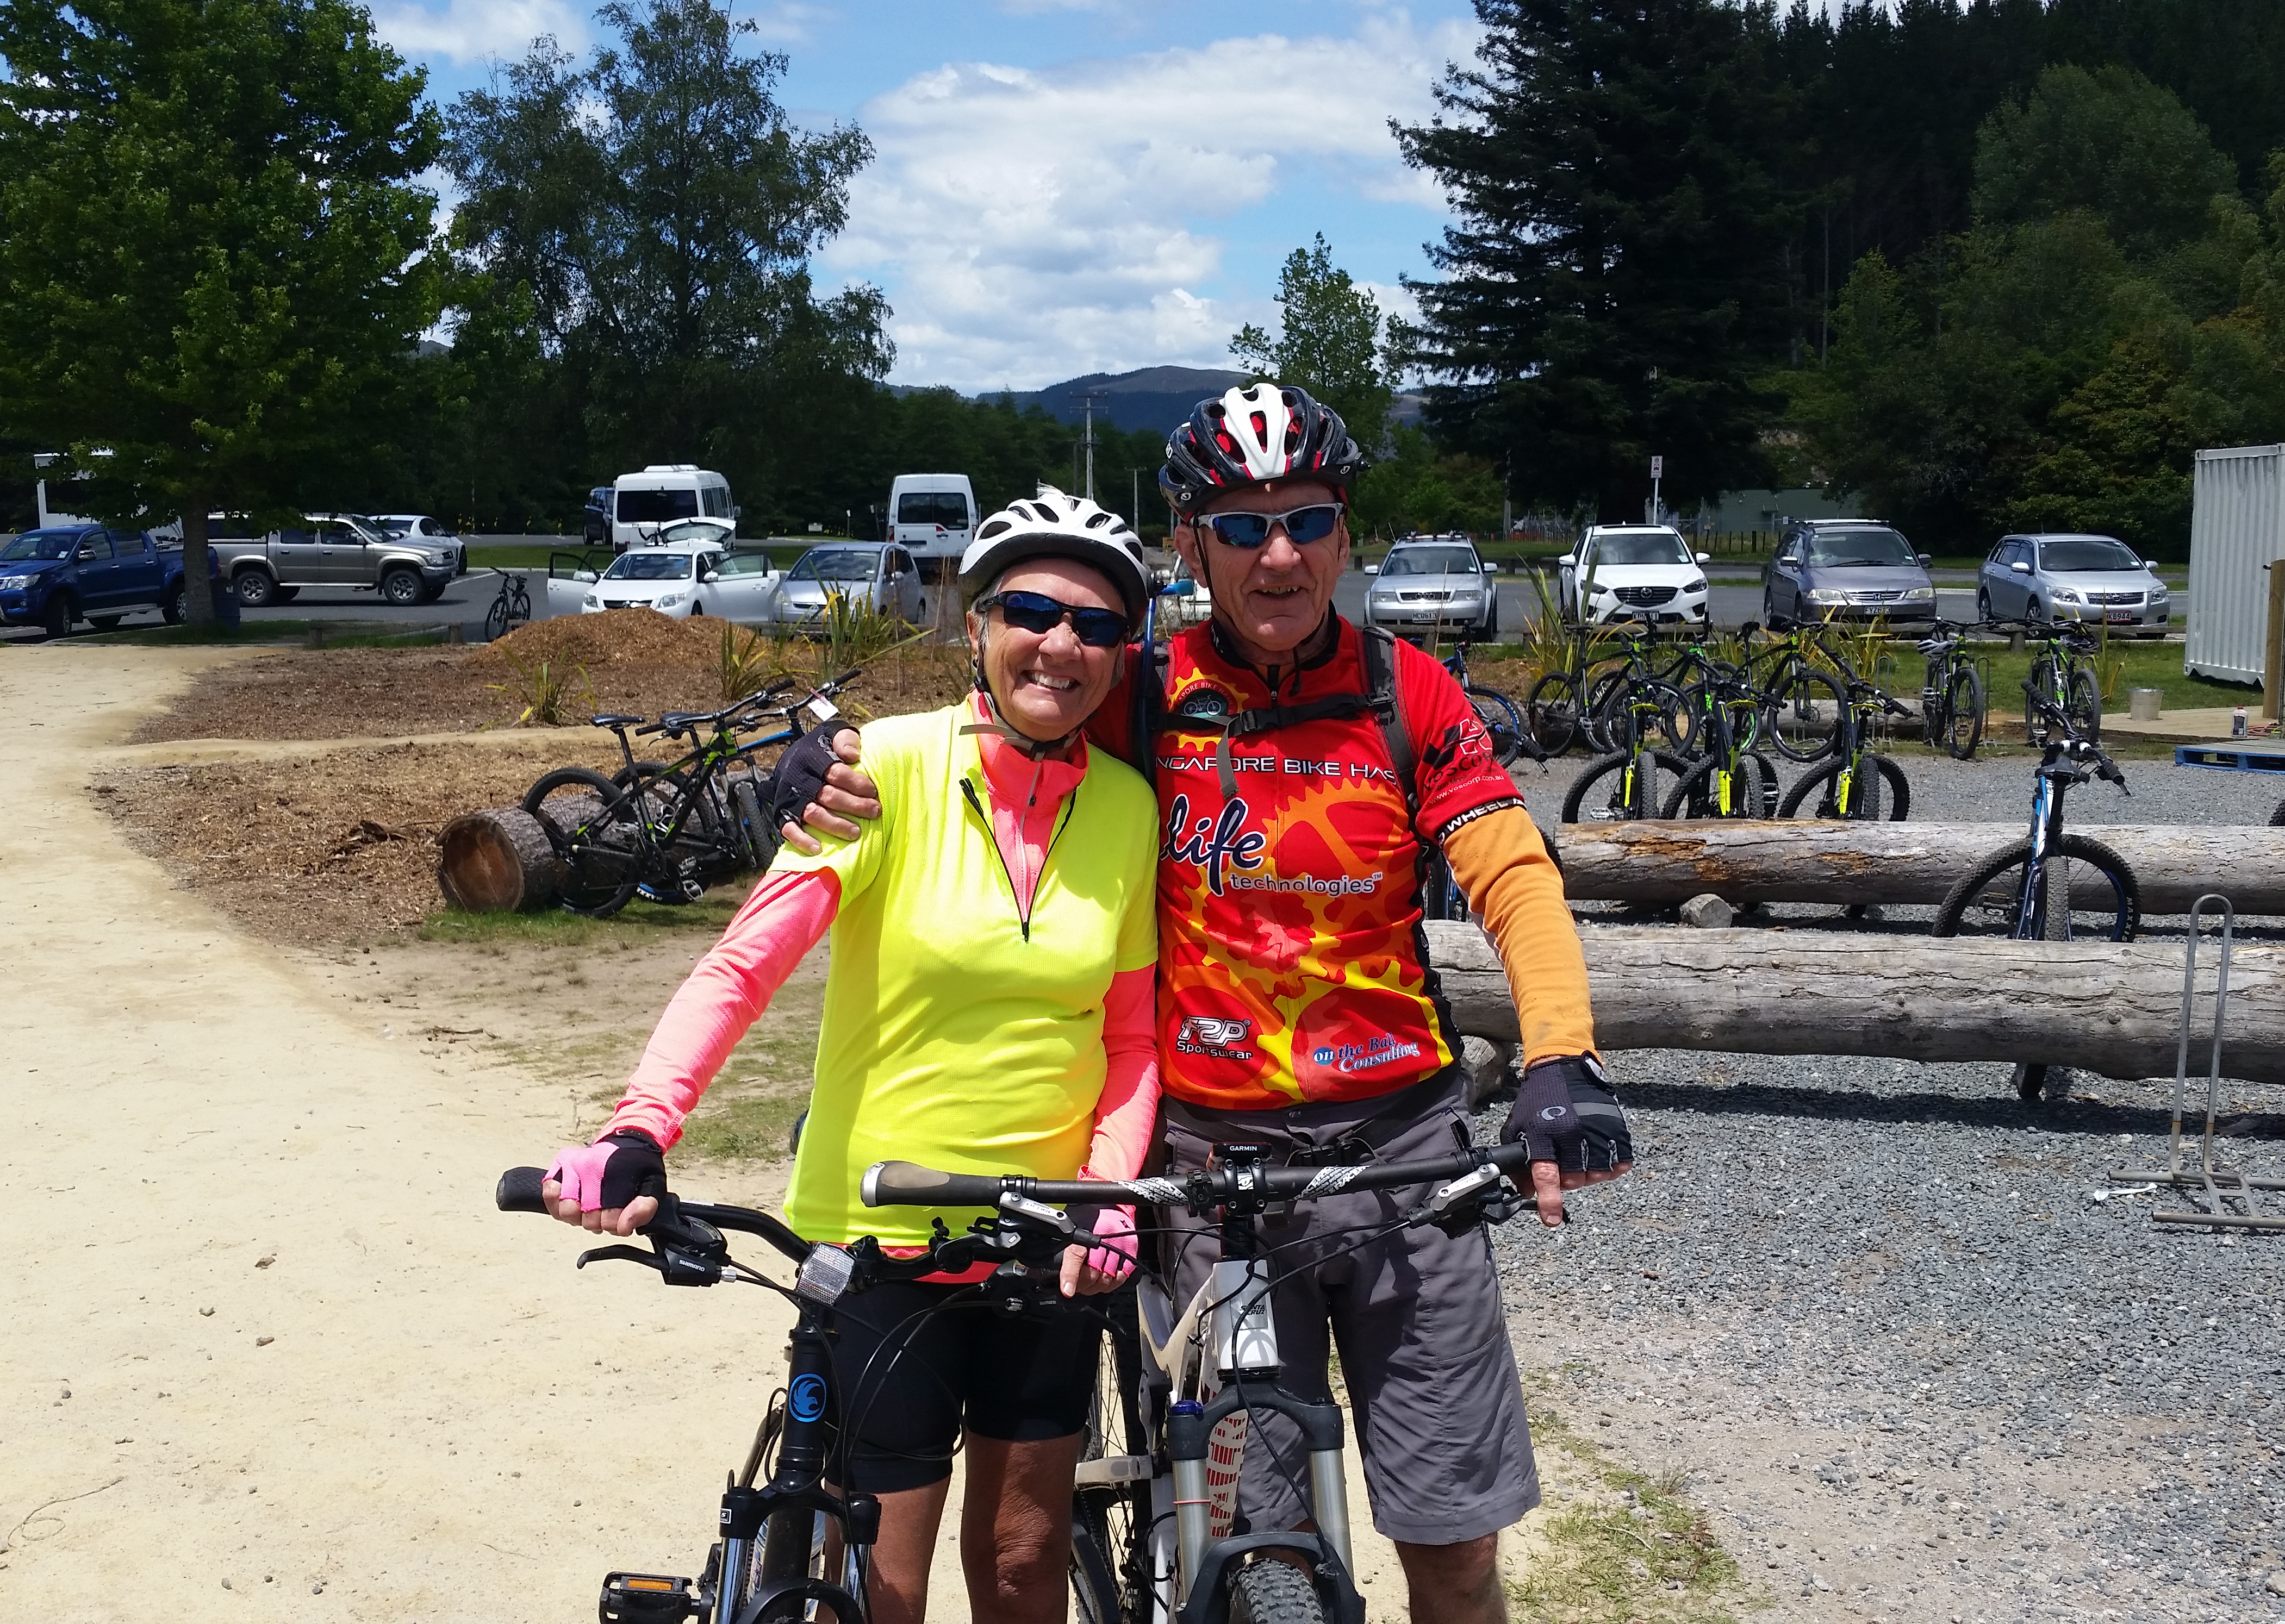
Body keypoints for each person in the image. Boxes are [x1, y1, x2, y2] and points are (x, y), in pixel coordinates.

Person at [773, 384, 1632, 1624]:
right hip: (1214, 1174)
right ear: (1190, 543)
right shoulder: (1141, 693)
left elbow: (1509, 872)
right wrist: (829, 756)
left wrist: (1560, 1058)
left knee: (1454, 1547)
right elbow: (1005, 703)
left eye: (1305, 520)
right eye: (1239, 526)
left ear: (1343, 533)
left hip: (1402, 1155)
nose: (1276, 555)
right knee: (1251, 1541)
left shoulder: (1409, 695)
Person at [532, 489, 1165, 1624]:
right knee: (882, 1588)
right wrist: (641, 1126)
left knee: (1024, 1566)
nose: (1062, 644)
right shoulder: (884, 773)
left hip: (1050, 1236)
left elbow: (1126, 1037)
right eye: (1030, 609)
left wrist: (1111, 1191)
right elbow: (740, 969)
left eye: (1098, 624)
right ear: (975, 625)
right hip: (883, 1232)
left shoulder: (1125, 807)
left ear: (1123, 654)